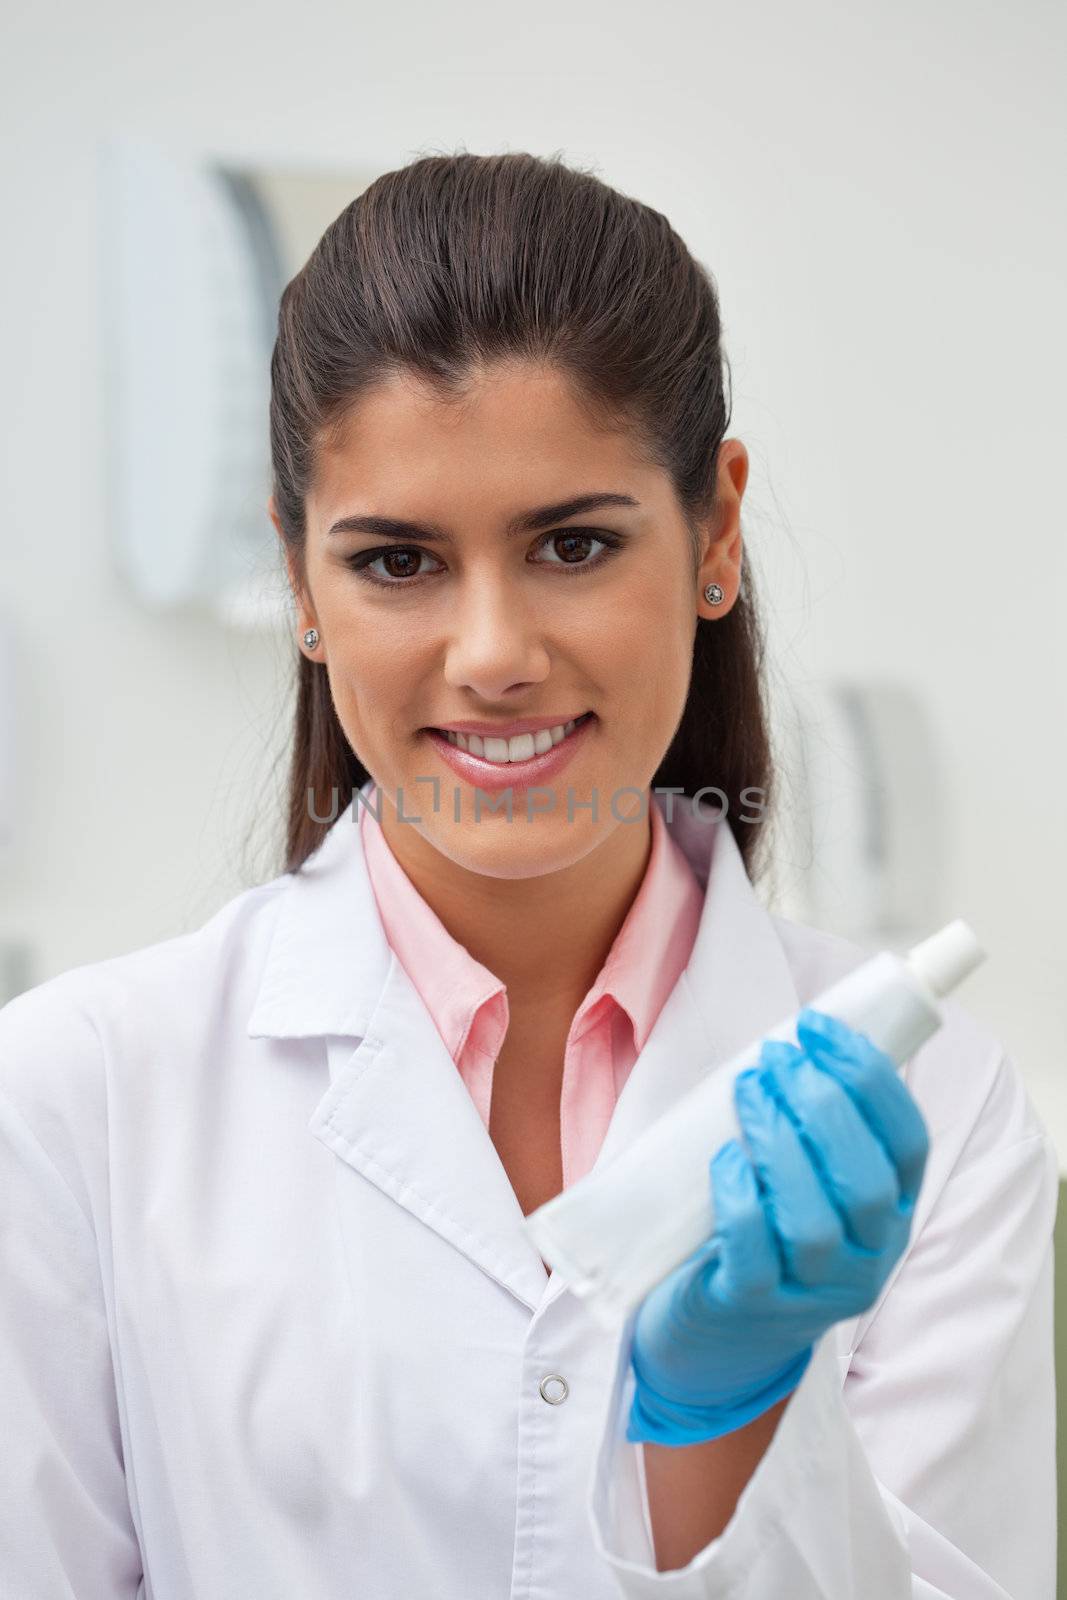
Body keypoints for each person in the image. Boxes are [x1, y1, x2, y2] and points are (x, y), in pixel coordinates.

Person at [0, 151, 1056, 1599]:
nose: (492, 654)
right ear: (301, 584)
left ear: (716, 529)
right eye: (396, 563)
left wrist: (737, 1430)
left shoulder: (939, 1115)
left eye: (572, 544)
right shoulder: (76, 1098)